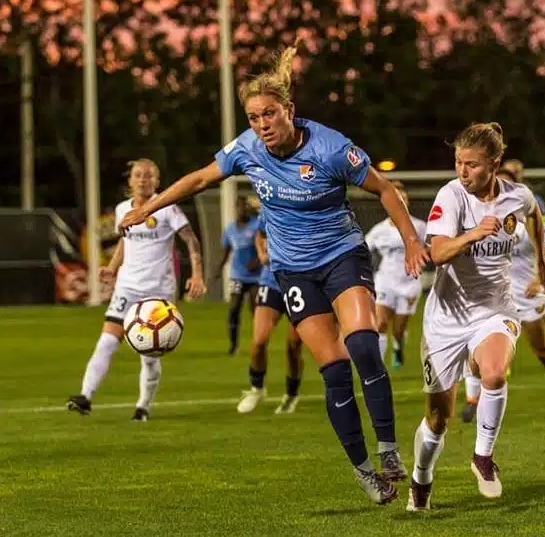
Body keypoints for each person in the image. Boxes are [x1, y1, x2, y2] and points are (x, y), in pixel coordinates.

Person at [119, 43, 429, 505]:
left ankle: (388, 448)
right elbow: (201, 178)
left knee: (364, 343)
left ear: (289, 110)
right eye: (253, 117)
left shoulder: (330, 148)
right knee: (334, 371)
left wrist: (411, 241)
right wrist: (149, 206)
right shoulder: (246, 150)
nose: (262, 125)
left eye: (269, 114)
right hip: (293, 273)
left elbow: (383, 189)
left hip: (342, 254)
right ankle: (365, 471)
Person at [407, 123, 545, 512]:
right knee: (438, 420)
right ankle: (421, 479)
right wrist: (471, 234)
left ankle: (483, 458)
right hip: (446, 319)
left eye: (471, 164)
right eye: (458, 162)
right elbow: (437, 253)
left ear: (494, 163)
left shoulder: (516, 196)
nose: (462, 171)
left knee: (493, 372)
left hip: (495, 309)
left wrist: (543, 264)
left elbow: (535, 215)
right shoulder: (451, 196)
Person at [67, 159, 208, 421]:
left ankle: (143, 406)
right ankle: (85, 396)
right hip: (127, 286)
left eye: (149, 175)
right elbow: (125, 240)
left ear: (157, 181)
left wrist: (197, 274)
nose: (143, 179)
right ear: (130, 181)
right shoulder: (122, 210)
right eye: (138, 175)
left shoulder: (167, 208)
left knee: (149, 355)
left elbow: (191, 239)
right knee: (107, 341)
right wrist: (111, 267)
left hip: (157, 293)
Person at [460, 159, 545, 422]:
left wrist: (540, 277)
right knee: (474, 350)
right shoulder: (479, 220)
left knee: (543, 351)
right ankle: (472, 401)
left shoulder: (530, 221)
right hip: (491, 297)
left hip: (526, 295)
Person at [236, 211, 304, 415]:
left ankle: (291, 395)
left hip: (301, 284)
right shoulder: (273, 204)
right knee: (259, 340)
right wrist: (261, 254)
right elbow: (260, 232)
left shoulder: (311, 206)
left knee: (294, 345)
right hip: (271, 281)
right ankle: (257, 388)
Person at [364, 181, 428, 370]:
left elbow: (433, 249)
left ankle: (398, 346)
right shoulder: (379, 230)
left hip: (409, 283)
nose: (401, 202)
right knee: (380, 323)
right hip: (385, 282)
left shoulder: (420, 227)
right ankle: (378, 367)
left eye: (404, 199)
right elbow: (363, 251)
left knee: (398, 330)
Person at [216, 195, 263, 355]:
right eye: (239, 207)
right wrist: (217, 270)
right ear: (235, 209)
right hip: (237, 275)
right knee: (234, 308)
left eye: (244, 207)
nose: (241, 210)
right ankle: (233, 345)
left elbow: (266, 246)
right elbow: (226, 252)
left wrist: (257, 260)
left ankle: (258, 342)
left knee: (255, 309)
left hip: (256, 276)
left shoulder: (256, 225)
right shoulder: (230, 229)